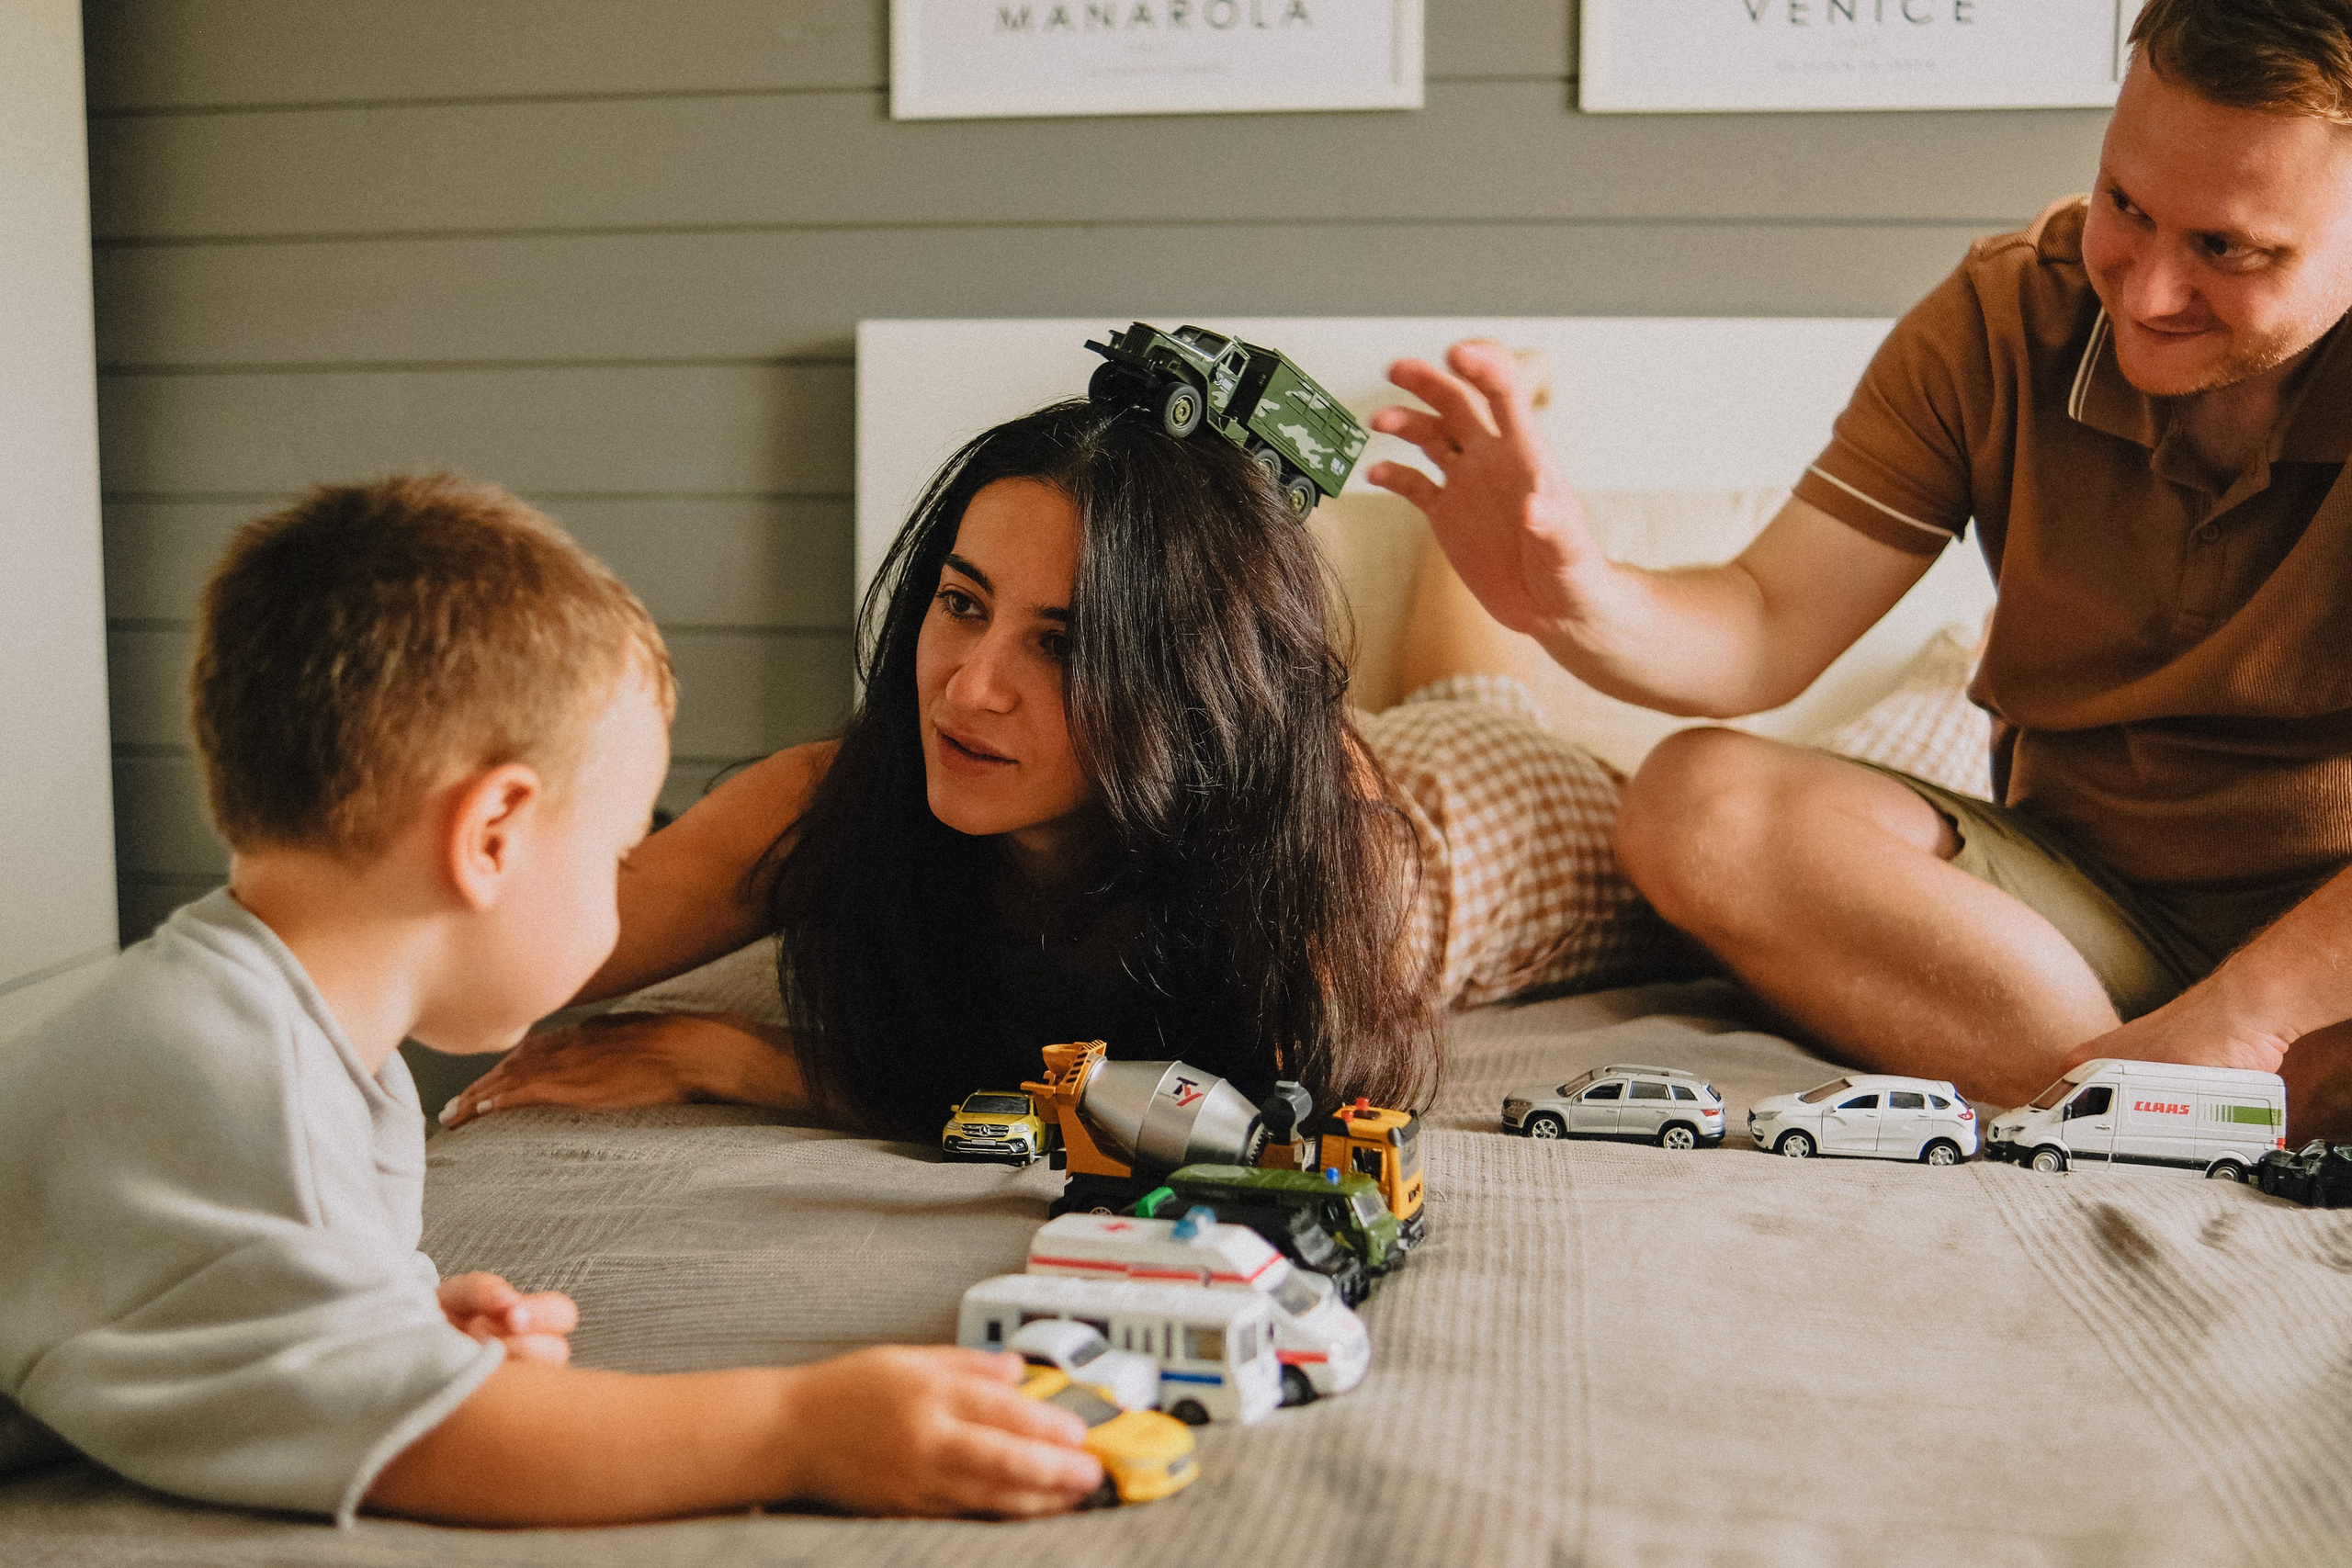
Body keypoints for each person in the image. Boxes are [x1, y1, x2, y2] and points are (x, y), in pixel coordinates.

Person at [0, 476, 1106, 1525]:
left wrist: (398, 1333)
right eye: (620, 848)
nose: (622, 887)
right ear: (491, 838)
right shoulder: (233, 1081)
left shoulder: (294, 1043)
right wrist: (799, 1426)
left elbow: (184, 1317)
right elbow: (425, 1445)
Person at [1363, 0, 2352, 1134]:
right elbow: (1764, 619)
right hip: (2068, 913)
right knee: (1696, 805)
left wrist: (2252, 1014)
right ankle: (2143, 1108)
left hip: (2324, 949)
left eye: (2227, 249)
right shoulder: (2002, 320)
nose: (2143, 288)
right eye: (2126, 205)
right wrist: (1577, 597)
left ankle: (2163, 1097)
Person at [440, 398, 1674, 1137]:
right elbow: (514, 941)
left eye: (1068, 644)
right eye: (962, 603)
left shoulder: (1321, 847)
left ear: (1192, 682)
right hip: (1370, 751)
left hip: (1497, 811)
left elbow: (1238, 1120)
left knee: (1481, 711)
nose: (971, 686)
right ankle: (1480, 433)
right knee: (1462, 680)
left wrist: (739, 1058)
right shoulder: (840, 794)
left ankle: (1499, 435)